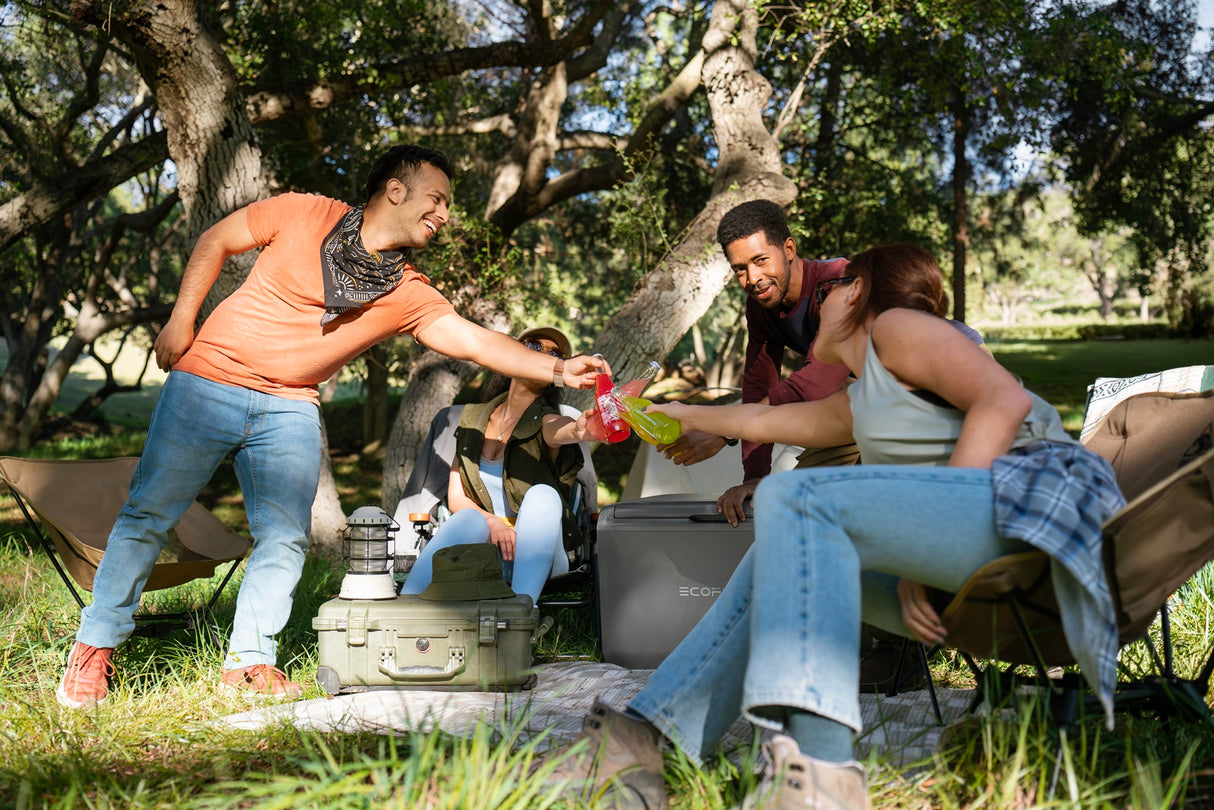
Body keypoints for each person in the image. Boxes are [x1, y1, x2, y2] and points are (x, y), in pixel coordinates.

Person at [541, 244, 1125, 810]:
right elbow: (765, 419)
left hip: (1035, 518)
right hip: (983, 552)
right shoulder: (866, 394)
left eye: (838, 287)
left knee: (794, 496)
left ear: (862, 294)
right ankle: (647, 739)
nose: (821, 299)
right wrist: (682, 413)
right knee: (775, 558)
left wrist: (921, 546)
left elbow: (1002, 401)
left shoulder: (899, 327)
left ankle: (821, 771)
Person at [56, 145, 606, 710]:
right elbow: (215, 239)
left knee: (285, 535)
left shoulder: (406, 291)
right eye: (436, 199)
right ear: (396, 189)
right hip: (207, 380)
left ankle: (249, 662)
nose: (444, 214)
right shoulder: (303, 212)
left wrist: (559, 368)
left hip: (290, 404)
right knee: (149, 514)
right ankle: (94, 648)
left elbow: (475, 340)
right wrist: (180, 318)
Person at [400, 326, 594, 602]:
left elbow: (562, 430)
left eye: (555, 354)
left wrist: (579, 430)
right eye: (534, 346)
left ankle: (520, 613)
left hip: (538, 556)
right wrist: (493, 524)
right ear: (511, 354)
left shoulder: (549, 420)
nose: (544, 354)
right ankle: (405, 606)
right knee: (467, 517)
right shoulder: (473, 420)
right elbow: (456, 497)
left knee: (543, 495)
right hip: (483, 552)